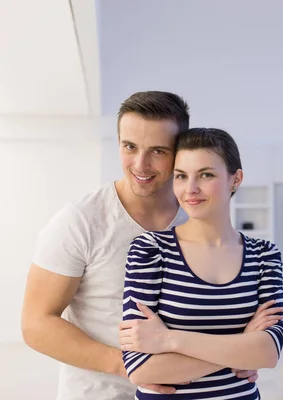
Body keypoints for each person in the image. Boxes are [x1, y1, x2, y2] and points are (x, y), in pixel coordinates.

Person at [21, 92, 267, 400]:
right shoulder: (80, 221)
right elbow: (36, 324)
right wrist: (128, 366)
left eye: (158, 151)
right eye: (129, 147)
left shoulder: (199, 215)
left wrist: (241, 352)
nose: (140, 164)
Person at [117, 128, 283, 399]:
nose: (190, 188)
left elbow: (269, 352)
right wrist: (241, 348)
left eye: (206, 175)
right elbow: (141, 369)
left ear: (235, 179)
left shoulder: (264, 255)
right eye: (181, 176)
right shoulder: (150, 249)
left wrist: (170, 340)